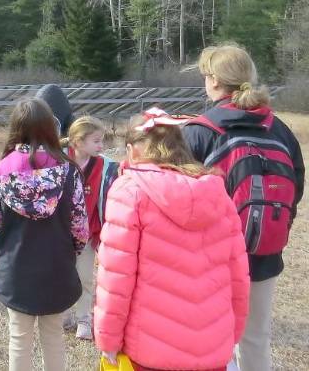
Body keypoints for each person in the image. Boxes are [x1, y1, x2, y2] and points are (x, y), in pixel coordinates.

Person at [95, 109, 250, 371]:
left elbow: (116, 277)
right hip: (212, 347)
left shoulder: (130, 191)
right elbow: (238, 275)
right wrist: (231, 334)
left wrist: (108, 338)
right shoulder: (217, 193)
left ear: (133, 151)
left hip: (149, 349)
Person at [182, 44, 304, 371]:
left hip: (210, 256)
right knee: (255, 339)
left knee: (206, 339)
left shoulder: (197, 132)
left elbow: (180, 200)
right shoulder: (278, 128)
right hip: (264, 253)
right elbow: (296, 183)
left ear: (213, 80)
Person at [0, 98, 88, 371]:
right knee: (53, 336)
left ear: (16, 128)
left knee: (19, 337)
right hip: (57, 263)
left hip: (15, 265)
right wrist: (73, 250)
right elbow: (79, 226)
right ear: (50, 127)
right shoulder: (68, 171)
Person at [60, 116, 119, 340]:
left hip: (86, 233)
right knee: (62, 275)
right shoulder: (59, 160)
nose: (101, 146)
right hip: (61, 234)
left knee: (84, 277)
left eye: (101, 141)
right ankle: (65, 314)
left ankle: (84, 319)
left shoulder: (106, 166)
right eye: (96, 141)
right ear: (77, 141)